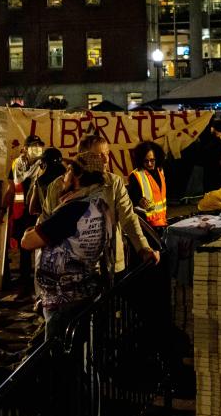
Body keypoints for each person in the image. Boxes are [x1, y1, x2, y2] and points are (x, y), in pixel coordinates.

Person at [20, 149, 116, 332]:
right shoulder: (98, 204)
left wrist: (29, 231)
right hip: (81, 291)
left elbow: (28, 242)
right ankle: (21, 359)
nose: (64, 177)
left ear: (77, 176)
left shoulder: (73, 210)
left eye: (68, 171)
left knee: (56, 353)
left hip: (64, 296)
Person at [41, 133, 158, 276]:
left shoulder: (114, 183)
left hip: (110, 267)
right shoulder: (58, 186)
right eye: (99, 155)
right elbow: (46, 223)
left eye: (107, 154)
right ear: (83, 158)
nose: (105, 159)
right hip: (71, 270)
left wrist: (143, 248)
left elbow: (128, 218)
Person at [4, 135, 48, 297]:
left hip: (38, 212)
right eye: (33, 145)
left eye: (39, 145)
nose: (37, 148)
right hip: (21, 213)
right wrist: (3, 208)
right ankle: (24, 284)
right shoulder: (16, 165)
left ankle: (39, 287)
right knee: (23, 249)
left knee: (41, 249)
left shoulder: (44, 165)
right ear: (25, 148)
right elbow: (11, 189)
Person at [127, 141, 168, 230]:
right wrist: (139, 200)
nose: (149, 164)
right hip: (147, 225)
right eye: (146, 161)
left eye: (152, 160)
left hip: (162, 221)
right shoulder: (136, 175)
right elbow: (130, 197)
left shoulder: (160, 171)